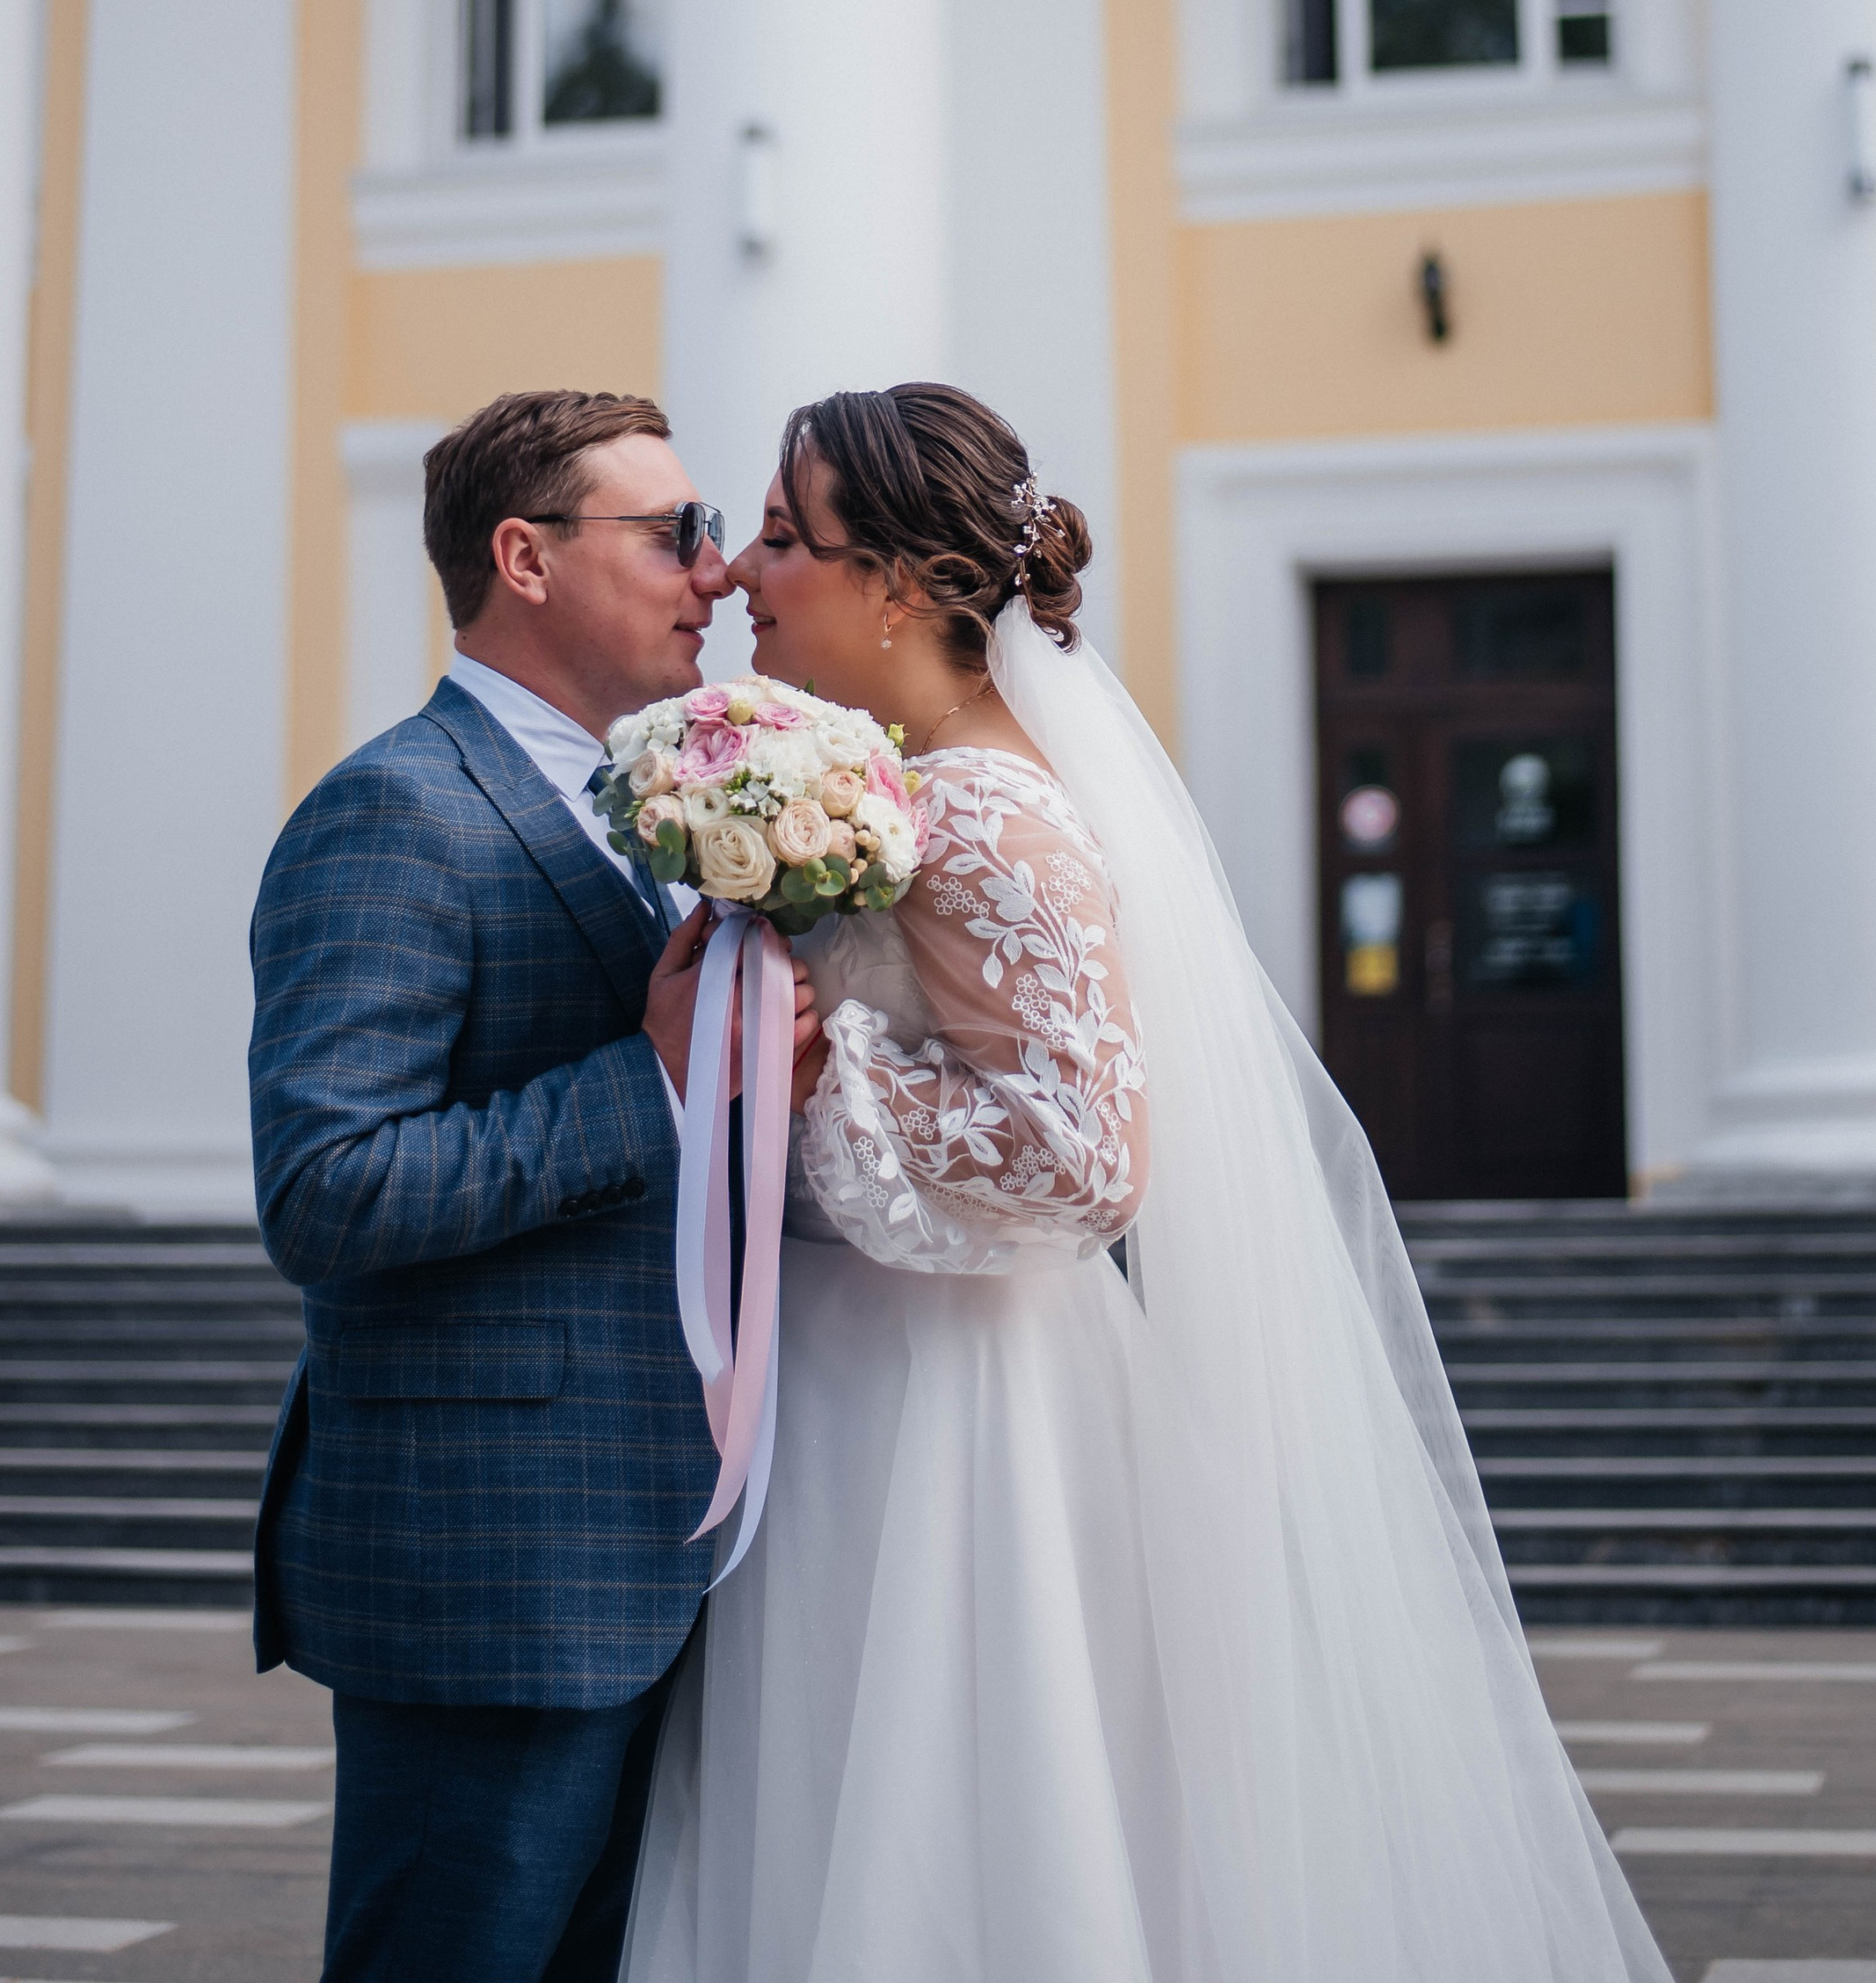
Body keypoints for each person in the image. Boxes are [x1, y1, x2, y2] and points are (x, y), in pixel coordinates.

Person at [620, 381, 1672, 1983]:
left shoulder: (976, 813)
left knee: (944, 1825)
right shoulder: (901, 789)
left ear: (904, 582)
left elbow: (1090, 1156)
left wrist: (819, 1076)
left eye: (784, 537)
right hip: (861, 1376)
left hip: (954, 1416)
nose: (745, 577)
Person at [248, 387, 821, 1983]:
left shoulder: (665, 813)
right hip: (489, 1571)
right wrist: (646, 1078)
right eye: (673, 533)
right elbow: (327, 1190)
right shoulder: (393, 814)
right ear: (528, 557)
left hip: (665, 1548)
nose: (713, 574)